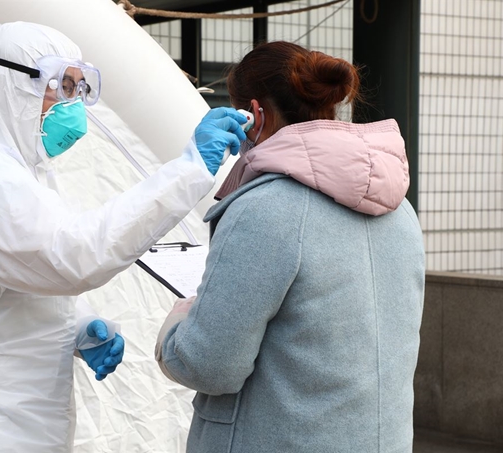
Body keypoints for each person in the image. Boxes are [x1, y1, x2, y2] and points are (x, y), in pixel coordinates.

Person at [0, 22, 247, 453]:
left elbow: (14, 283)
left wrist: (79, 328)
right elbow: (70, 257)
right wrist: (189, 168)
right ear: (13, 85)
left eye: (80, 89)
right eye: (62, 86)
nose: (74, 105)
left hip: (23, 418)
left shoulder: (27, 173)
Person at [155, 41, 425, 453]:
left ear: (254, 115)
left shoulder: (263, 210)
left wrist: (176, 326)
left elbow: (210, 365)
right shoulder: (400, 208)